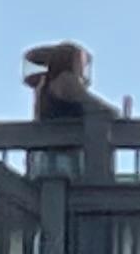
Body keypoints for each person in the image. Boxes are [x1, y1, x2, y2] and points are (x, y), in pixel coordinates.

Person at [23, 42, 102, 178]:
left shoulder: (44, 85)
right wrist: (115, 114)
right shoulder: (65, 80)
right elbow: (94, 105)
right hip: (61, 158)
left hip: (47, 154)